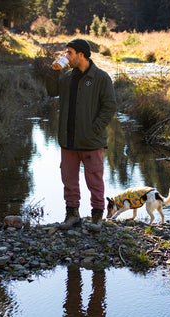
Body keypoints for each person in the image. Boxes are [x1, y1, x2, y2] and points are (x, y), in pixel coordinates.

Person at [46, 38, 117, 231]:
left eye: (69, 53)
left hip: (91, 141)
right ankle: (72, 216)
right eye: (66, 53)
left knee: (94, 180)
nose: (66, 56)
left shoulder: (102, 78)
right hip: (68, 140)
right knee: (68, 180)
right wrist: (53, 72)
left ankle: (96, 218)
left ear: (81, 55)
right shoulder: (67, 78)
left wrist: (95, 128)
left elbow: (109, 106)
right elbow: (51, 91)